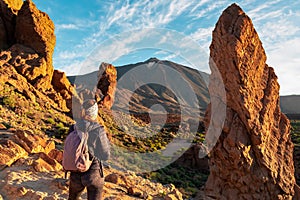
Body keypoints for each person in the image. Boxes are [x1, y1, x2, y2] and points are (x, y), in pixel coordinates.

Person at [68, 99, 110, 200]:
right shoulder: (98, 130)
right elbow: (105, 155)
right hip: (93, 173)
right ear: (94, 113)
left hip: (75, 172)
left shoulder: (74, 127)